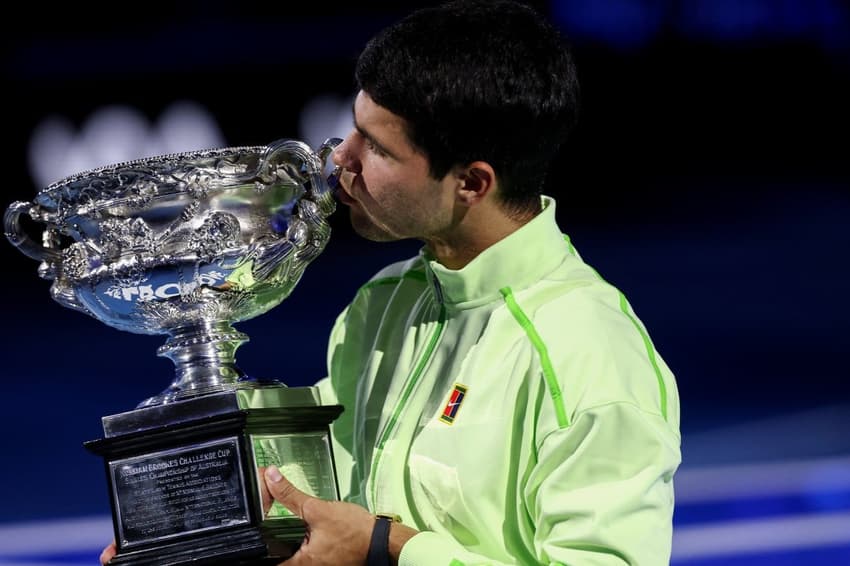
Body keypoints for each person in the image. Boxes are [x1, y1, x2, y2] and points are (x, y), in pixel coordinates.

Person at [101, 1, 681, 564]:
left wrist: (389, 549)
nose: (339, 161)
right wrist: (191, 520)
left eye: (375, 147)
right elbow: (313, 494)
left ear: (472, 183)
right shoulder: (380, 305)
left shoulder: (590, 359)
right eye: (352, 130)